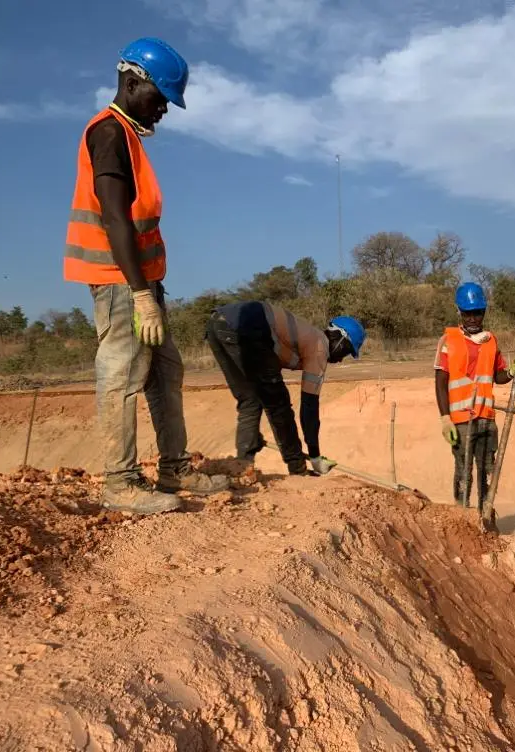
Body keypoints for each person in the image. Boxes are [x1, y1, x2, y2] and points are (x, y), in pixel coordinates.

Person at [63, 38, 228, 515]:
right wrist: (139, 295)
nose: (164, 111)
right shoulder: (109, 133)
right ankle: (120, 482)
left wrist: (149, 289)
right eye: (160, 100)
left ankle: (175, 468)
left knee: (164, 370)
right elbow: (115, 218)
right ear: (133, 83)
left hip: (141, 282)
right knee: (121, 373)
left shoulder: (128, 136)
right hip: (120, 283)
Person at [205, 301, 365, 476]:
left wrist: (251, 434)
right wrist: (315, 456)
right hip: (248, 326)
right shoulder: (320, 347)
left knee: (250, 399)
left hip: (217, 323)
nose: (342, 359)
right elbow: (309, 408)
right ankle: (297, 469)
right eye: (346, 351)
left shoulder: (304, 337)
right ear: (340, 340)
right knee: (279, 404)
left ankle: (243, 466)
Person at [434, 282, 515, 509]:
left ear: (484, 312)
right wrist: (445, 418)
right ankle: (461, 517)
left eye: (478, 313)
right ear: (459, 312)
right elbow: (440, 382)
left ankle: (485, 515)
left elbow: (497, 376)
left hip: (486, 418)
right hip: (461, 421)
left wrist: (512, 372)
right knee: (463, 473)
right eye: (468, 313)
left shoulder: (490, 341)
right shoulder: (448, 341)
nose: (473, 318)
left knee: (487, 471)